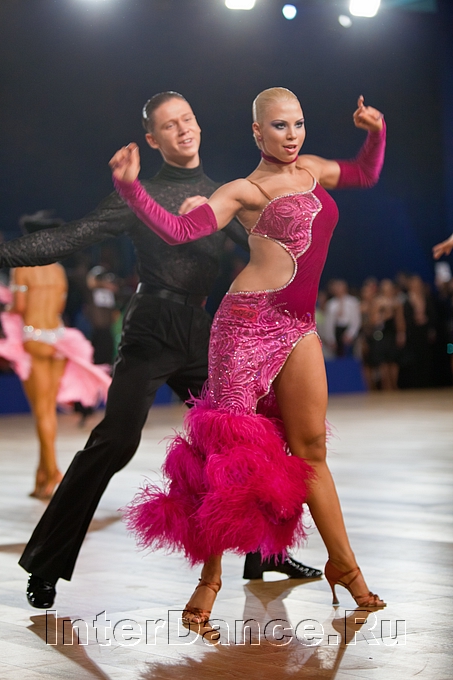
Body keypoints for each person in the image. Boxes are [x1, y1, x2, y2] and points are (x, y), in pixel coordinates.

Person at [0, 92, 319, 610]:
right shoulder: (140, 195)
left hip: (202, 330)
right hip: (150, 329)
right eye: (170, 125)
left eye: (187, 119)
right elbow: (68, 239)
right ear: (153, 139)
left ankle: (267, 553)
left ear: (199, 125)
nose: (183, 129)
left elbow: (270, 252)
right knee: (115, 441)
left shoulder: (225, 195)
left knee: (252, 431)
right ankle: (46, 563)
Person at [110, 89, 387, 624]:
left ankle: (345, 567)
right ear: (258, 132)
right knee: (227, 457)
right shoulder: (245, 190)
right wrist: (132, 190)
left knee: (311, 450)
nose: (292, 135)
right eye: (279, 126)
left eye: (298, 124)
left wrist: (375, 133)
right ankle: (209, 579)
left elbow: (364, 172)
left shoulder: (311, 169)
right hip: (245, 324)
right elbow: (181, 230)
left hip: (299, 327)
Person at [0, 214, 111, 499]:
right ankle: (43, 474)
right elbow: (60, 306)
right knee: (47, 410)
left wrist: (7, 306)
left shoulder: (22, 269)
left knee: (42, 412)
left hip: (34, 340)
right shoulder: (58, 270)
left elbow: (20, 306)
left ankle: (53, 473)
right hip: (57, 340)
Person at [323, 279, 361, 358]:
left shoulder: (352, 302)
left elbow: (356, 320)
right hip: (337, 331)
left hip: (348, 330)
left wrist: (350, 334)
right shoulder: (331, 304)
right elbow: (329, 323)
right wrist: (331, 339)